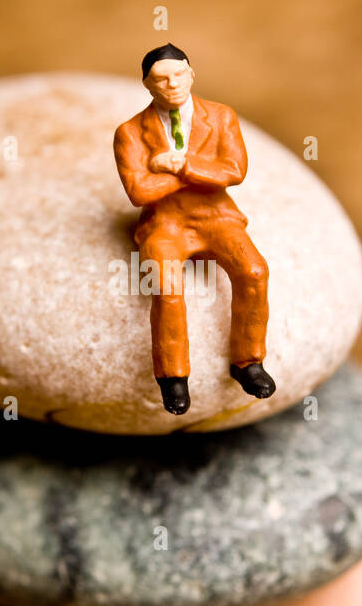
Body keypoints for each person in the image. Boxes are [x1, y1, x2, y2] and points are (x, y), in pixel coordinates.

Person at [113, 43, 276, 416]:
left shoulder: (220, 117)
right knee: (167, 287)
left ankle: (247, 362)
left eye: (178, 74)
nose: (171, 84)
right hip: (164, 223)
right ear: (147, 85)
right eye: (161, 79)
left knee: (254, 271)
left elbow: (233, 171)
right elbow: (140, 192)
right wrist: (197, 174)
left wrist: (178, 166)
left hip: (217, 217)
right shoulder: (129, 132)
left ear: (191, 74)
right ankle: (173, 377)